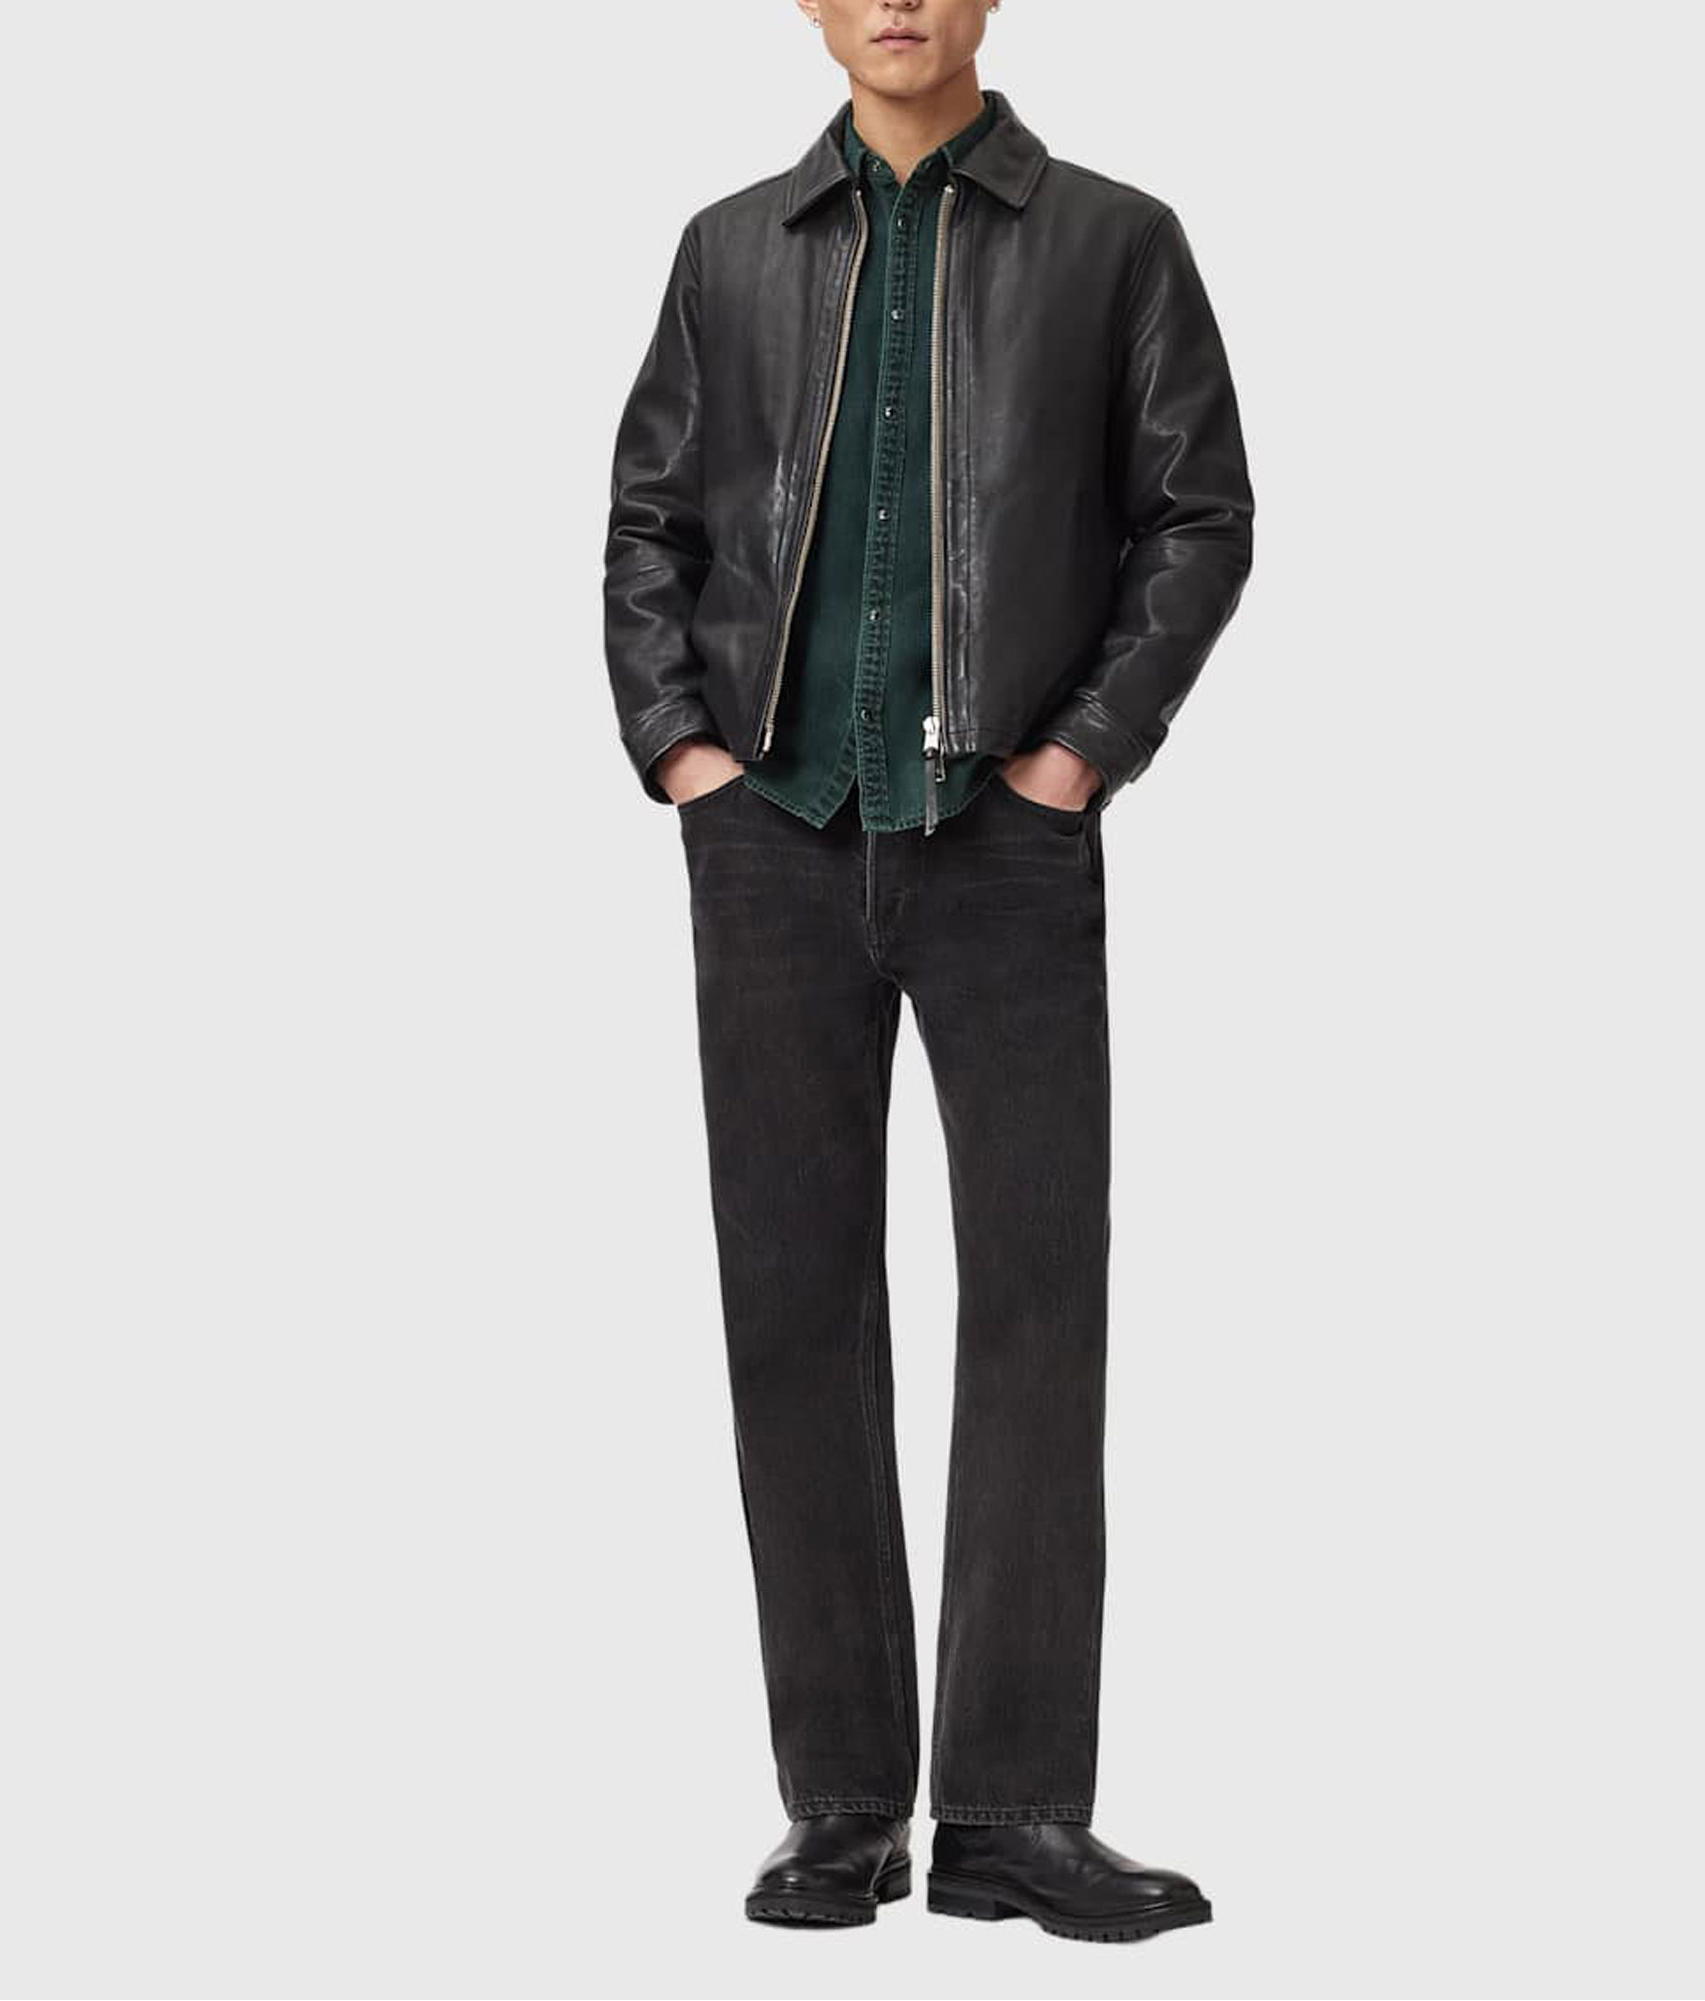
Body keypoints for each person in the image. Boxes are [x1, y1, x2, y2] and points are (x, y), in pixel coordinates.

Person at [601, 0, 1253, 1945]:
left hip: (1004, 842)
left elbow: (1199, 517)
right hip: (772, 837)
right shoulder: (727, 247)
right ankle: (836, 1806)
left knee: (1035, 1314)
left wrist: (1075, 758)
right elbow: (646, 525)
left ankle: (1011, 1816)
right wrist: (684, 751)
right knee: (792, 1310)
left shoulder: (1113, 238)